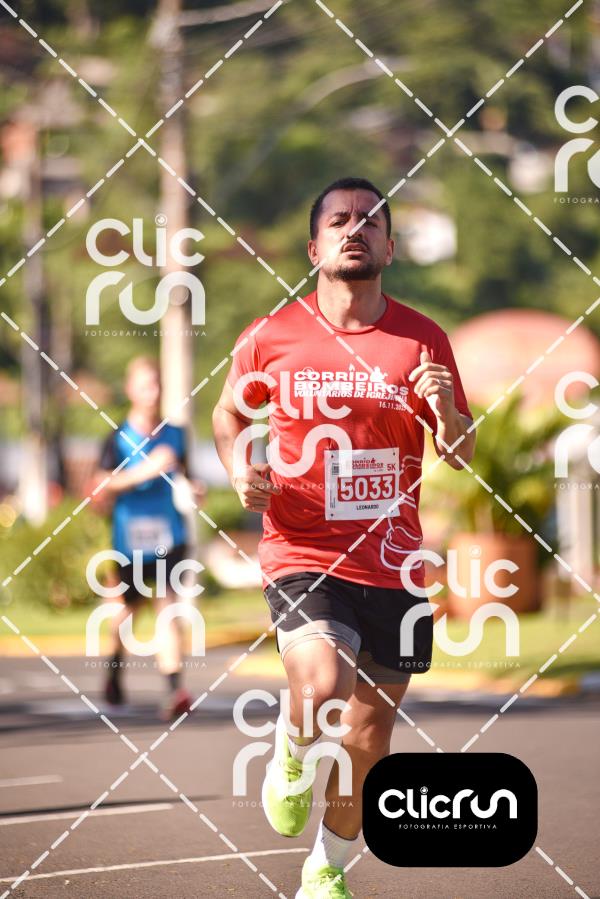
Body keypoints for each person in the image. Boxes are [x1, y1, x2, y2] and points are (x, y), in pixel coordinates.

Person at [213, 177, 475, 898]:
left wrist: (449, 411)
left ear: (390, 247)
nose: (355, 228)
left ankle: (325, 868)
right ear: (314, 248)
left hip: (394, 563)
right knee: (323, 682)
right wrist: (238, 465)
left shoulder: (423, 339)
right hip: (303, 549)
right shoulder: (272, 335)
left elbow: (459, 452)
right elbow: (228, 413)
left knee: (366, 738)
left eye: (370, 220)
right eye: (339, 220)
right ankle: (292, 754)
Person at [93, 355, 196, 721]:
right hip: (129, 539)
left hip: (170, 535)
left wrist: (194, 490)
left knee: (168, 607)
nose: (152, 393)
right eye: (145, 386)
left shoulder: (177, 434)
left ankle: (174, 690)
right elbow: (99, 487)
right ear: (130, 390)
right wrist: (145, 471)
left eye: (157, 385)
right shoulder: (117, 438)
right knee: (126, 610)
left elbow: (188, 477)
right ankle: (114, 673)